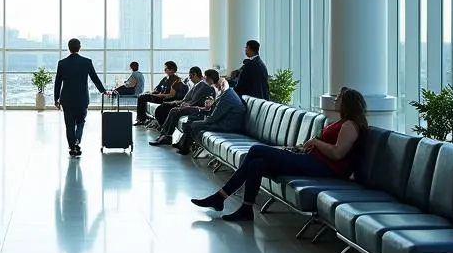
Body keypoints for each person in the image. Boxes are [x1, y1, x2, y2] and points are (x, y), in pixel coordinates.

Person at [192, 87, 369, 222]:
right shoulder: (343, 123)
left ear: (346, 103)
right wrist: (308, 146)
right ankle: (245, 209)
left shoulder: (349, 126)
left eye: (339, 98)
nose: (335, 99)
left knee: (255, 150)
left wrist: (315, 142)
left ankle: (220, 197)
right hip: (314, 160)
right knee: (256, 165)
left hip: (324, 166)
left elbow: (338, 154)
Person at [53, 38, 106, 157]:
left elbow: (57, 82)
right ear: (79, 47)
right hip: (82, 98)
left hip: (66, 99)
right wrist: (103, 91)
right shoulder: (86, 62)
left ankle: (72, 147)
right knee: (81, 121)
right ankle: (77, 140)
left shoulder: (62, 63)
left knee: (69, 124)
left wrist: (56, 99)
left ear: (68, 48)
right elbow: (94, 78)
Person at [174, 75, 245, 155]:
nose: (217, 86)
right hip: (225, 121)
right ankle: (183, 145)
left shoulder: (227, 97)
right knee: (192, 120)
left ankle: (185, 148)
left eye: (219, 85)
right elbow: (214, 111)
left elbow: (213, 118)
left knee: (194, 124)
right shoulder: (228, 93)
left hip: (228, 126)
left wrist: (204, 119)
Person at [150, 67, 218, 145]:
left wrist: (188, 105)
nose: (204, 78)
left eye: (205, 77)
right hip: (191, 105)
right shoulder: (200, 85)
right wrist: (185, 103)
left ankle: (166, 136)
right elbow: (189, 99)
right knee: (167, 107)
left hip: (197, 109)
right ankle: (165, 135)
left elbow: (202, 103)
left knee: (174, 110)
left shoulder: (207, 87)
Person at [134, 61, 185, 125]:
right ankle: (143, 118)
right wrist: (150, 93)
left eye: (166, 69)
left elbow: (171, 95)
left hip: (165, 99)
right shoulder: (165, 79)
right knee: (142, 95)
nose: (164, 70)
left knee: (142, 97)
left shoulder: (176, 80)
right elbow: (157, 89)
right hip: (159, 96)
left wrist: (158, 95)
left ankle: (142, 119)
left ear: (172, 70)